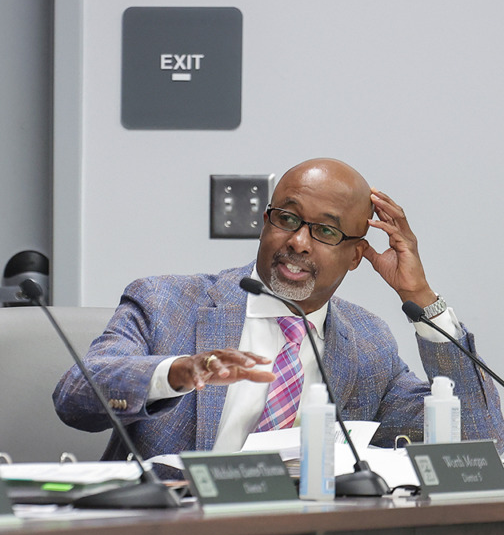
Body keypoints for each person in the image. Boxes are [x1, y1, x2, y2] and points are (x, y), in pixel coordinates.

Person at [54, 158, 504, 462]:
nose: (298, 241)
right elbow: (75, 397)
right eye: (287, 219)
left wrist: (421, 296)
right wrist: (176, 373)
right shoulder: (165, 302)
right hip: (175, 534)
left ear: (355, 256)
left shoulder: (367, 344)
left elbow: (478, 439)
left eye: (325, 231)